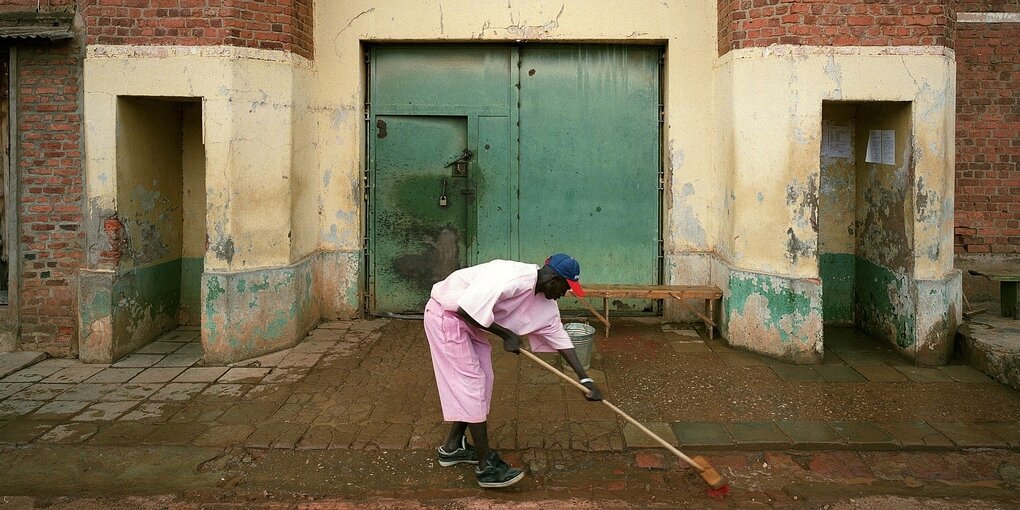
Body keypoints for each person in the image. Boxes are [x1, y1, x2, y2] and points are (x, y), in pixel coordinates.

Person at [423, 253, 604, 488]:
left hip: (471, 325)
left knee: (483, 382)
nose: (564, 294)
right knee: (472, 384)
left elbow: (560, 337)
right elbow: (465, 308)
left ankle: (453, 447)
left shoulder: (546, 304)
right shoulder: (510, 276)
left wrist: (585, 378)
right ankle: (487, 466)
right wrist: (507, 335)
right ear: (553, 279)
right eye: (565, 288)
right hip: (447, 317)